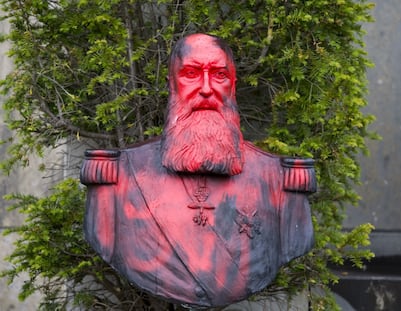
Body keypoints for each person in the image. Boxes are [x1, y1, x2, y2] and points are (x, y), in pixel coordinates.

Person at [80, 33, 316, 308]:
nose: (206, 88)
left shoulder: (278, 179)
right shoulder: (122, 176)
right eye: (191, 74)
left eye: (218, 75)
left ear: (233, 85)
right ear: (172, 83)